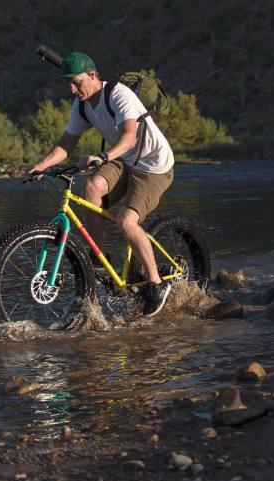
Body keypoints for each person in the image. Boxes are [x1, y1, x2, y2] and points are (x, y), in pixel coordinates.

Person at [29, 51, 175, 317]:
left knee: (126, 222)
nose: (72, 89)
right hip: (125, 160)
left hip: (154, 166)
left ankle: (156, 283)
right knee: (92, 188)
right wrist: (42, 165)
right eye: (68, 84)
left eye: (77, 82)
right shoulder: (82, 105)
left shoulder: (118, 94)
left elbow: (130, 137)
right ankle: (99, 259)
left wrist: (103, 156)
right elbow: (65, 143)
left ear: (94, 75)